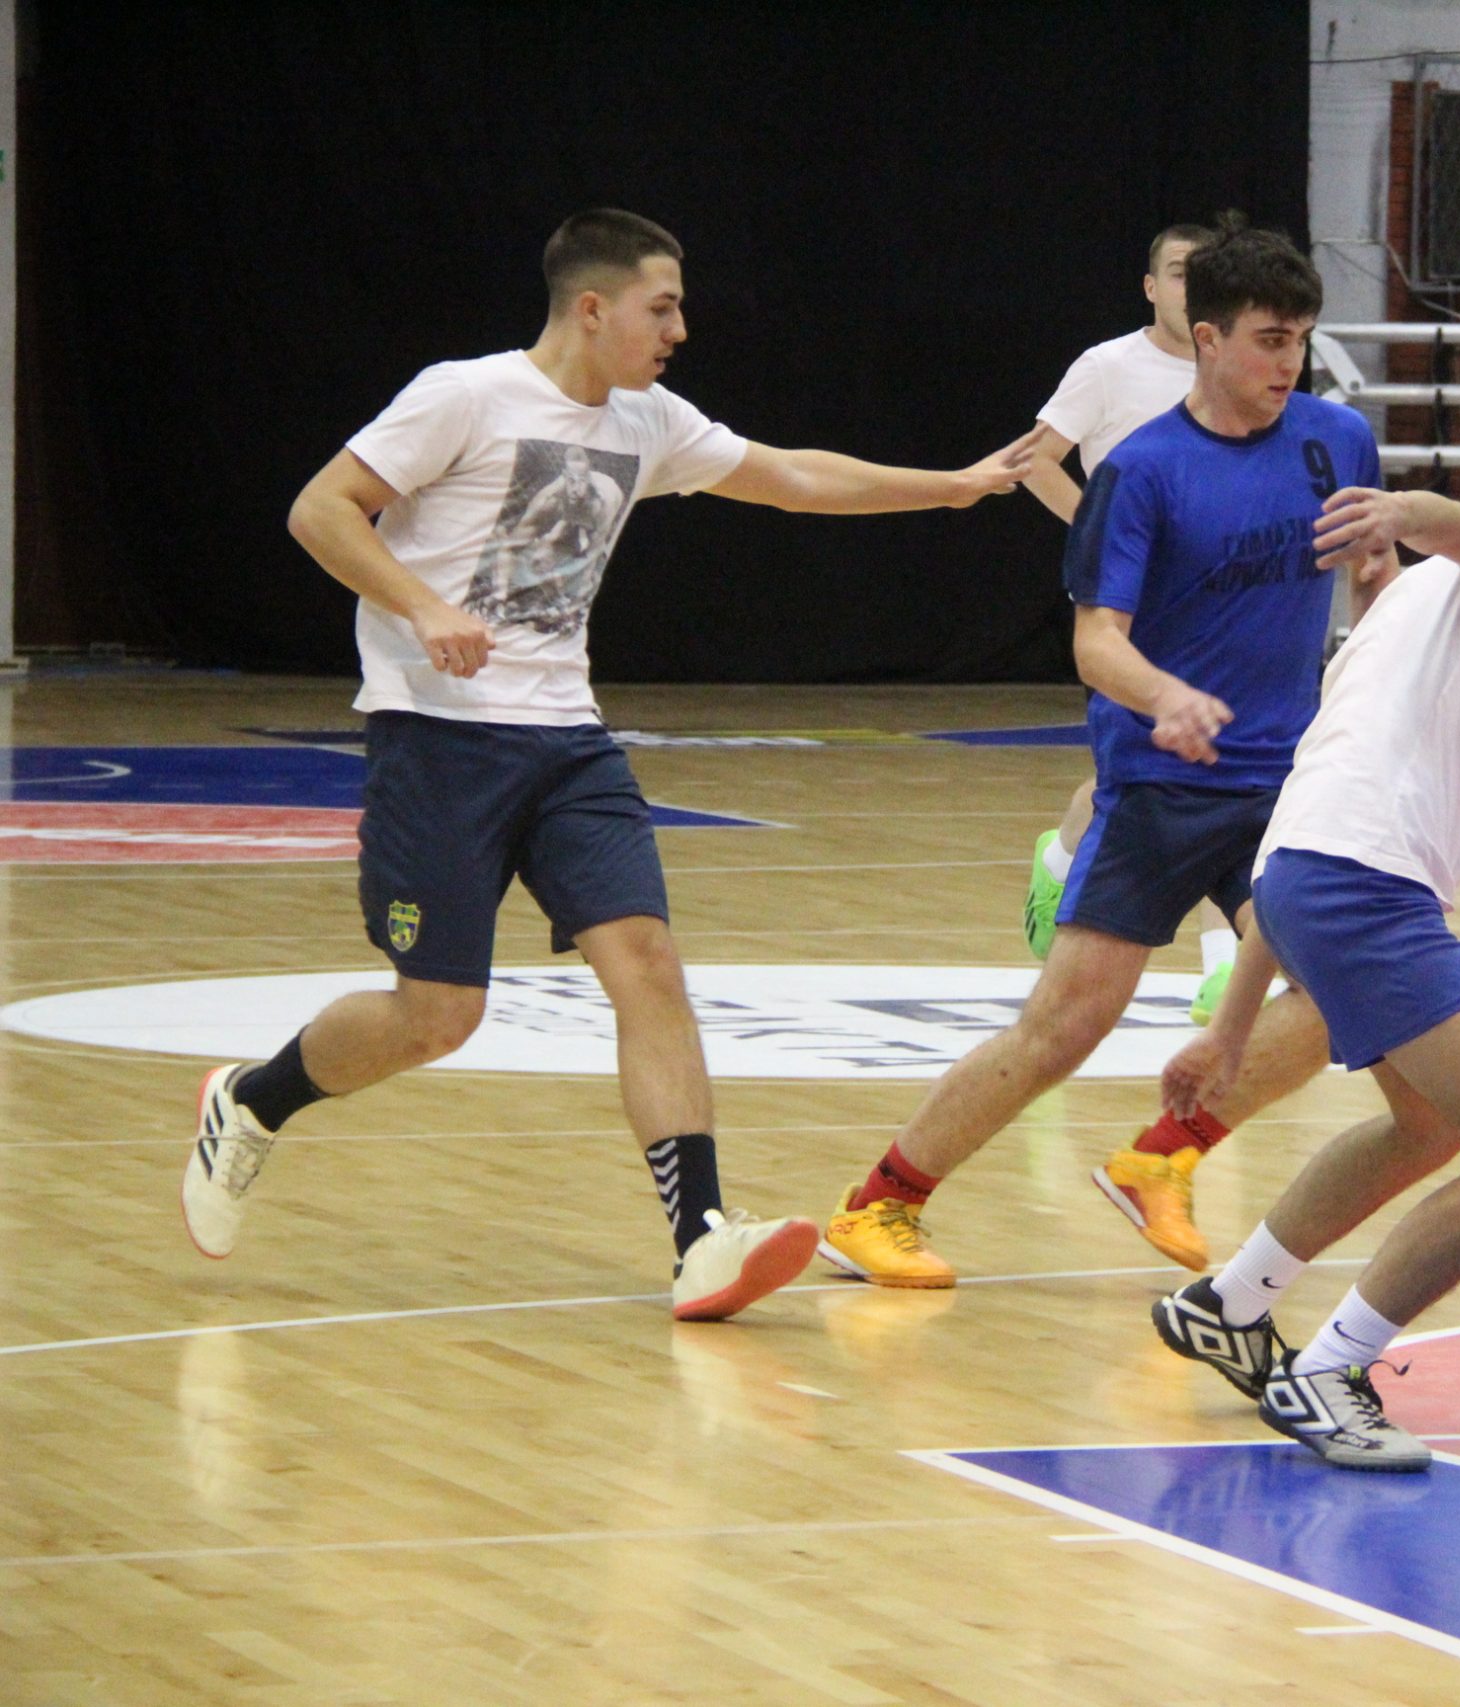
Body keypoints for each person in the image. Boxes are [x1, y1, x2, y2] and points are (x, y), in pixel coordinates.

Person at [181, 209, 1035, 1321]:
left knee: (648, 963)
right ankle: (254, 1098)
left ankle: (701, 1240)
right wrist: (423, 605)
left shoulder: (648, 419)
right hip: (438, 740)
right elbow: (321, 508)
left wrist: (950, 485)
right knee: (437, 1016)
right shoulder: (465, 395)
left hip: (568, 743)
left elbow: (790, 475)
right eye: (661, 307)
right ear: (593, 307)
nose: (679, 328)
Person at [820, 218, 1377, 1288]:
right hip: (1163, 784)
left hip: (1285, 787)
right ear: (1207, 338)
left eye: (1301, 339)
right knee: (1063, 1028)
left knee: (1338, 997)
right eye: (1268, 340)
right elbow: (1095, 644)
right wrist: (1167, 696)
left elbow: (1369, 573)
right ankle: (878, 1205)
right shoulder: (1143, 472)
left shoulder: (1334, 441)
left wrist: (1383, 598)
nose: (1288, 363)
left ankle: (1160, 1157)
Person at [1149, 471, 1460, 1471]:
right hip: (1363, 890)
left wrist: (1230, 1030)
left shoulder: (1392, 621)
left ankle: (1231, 1303)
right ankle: (1329, 1371)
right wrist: (1404, 512)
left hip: (1301, 880)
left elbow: (1299, 840)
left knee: (1429, 1124)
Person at [1020, 222, 1217, 961]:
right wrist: (1103, 533)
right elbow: (1037, 460)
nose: (1193, 285)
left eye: (1207, 272)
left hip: (1217, 599)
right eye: (1179, 271)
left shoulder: (1236, 369)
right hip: (1128, 605)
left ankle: (1222, 967)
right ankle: (1062, 861)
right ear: (1151, 286)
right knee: (1139, 774)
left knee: (1214, 773)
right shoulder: (1109, 366)